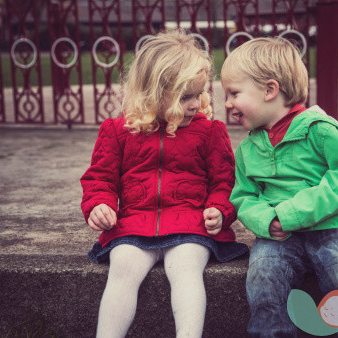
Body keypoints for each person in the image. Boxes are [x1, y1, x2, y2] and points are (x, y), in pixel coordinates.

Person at [80, 30, 248, 338]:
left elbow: (225, 182)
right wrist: (99, 205)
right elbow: (100, 178)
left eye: (199, 94)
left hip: (191, 224)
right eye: (185, 97)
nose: (196, 104)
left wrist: (220, 209)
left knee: (184, 269)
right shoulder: (118, 132)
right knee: (123, 269)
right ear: (153, 93)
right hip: (133, 224)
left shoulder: (209, 132)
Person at [221, 37, 338, 337]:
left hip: (334, 224)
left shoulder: (318, 130)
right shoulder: (248, 149)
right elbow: (243, 196)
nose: (228, 104)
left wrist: (294, 212)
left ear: (270, 90)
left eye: (234, 93)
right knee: (263, 276)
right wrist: (266, 221)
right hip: (278, 233)